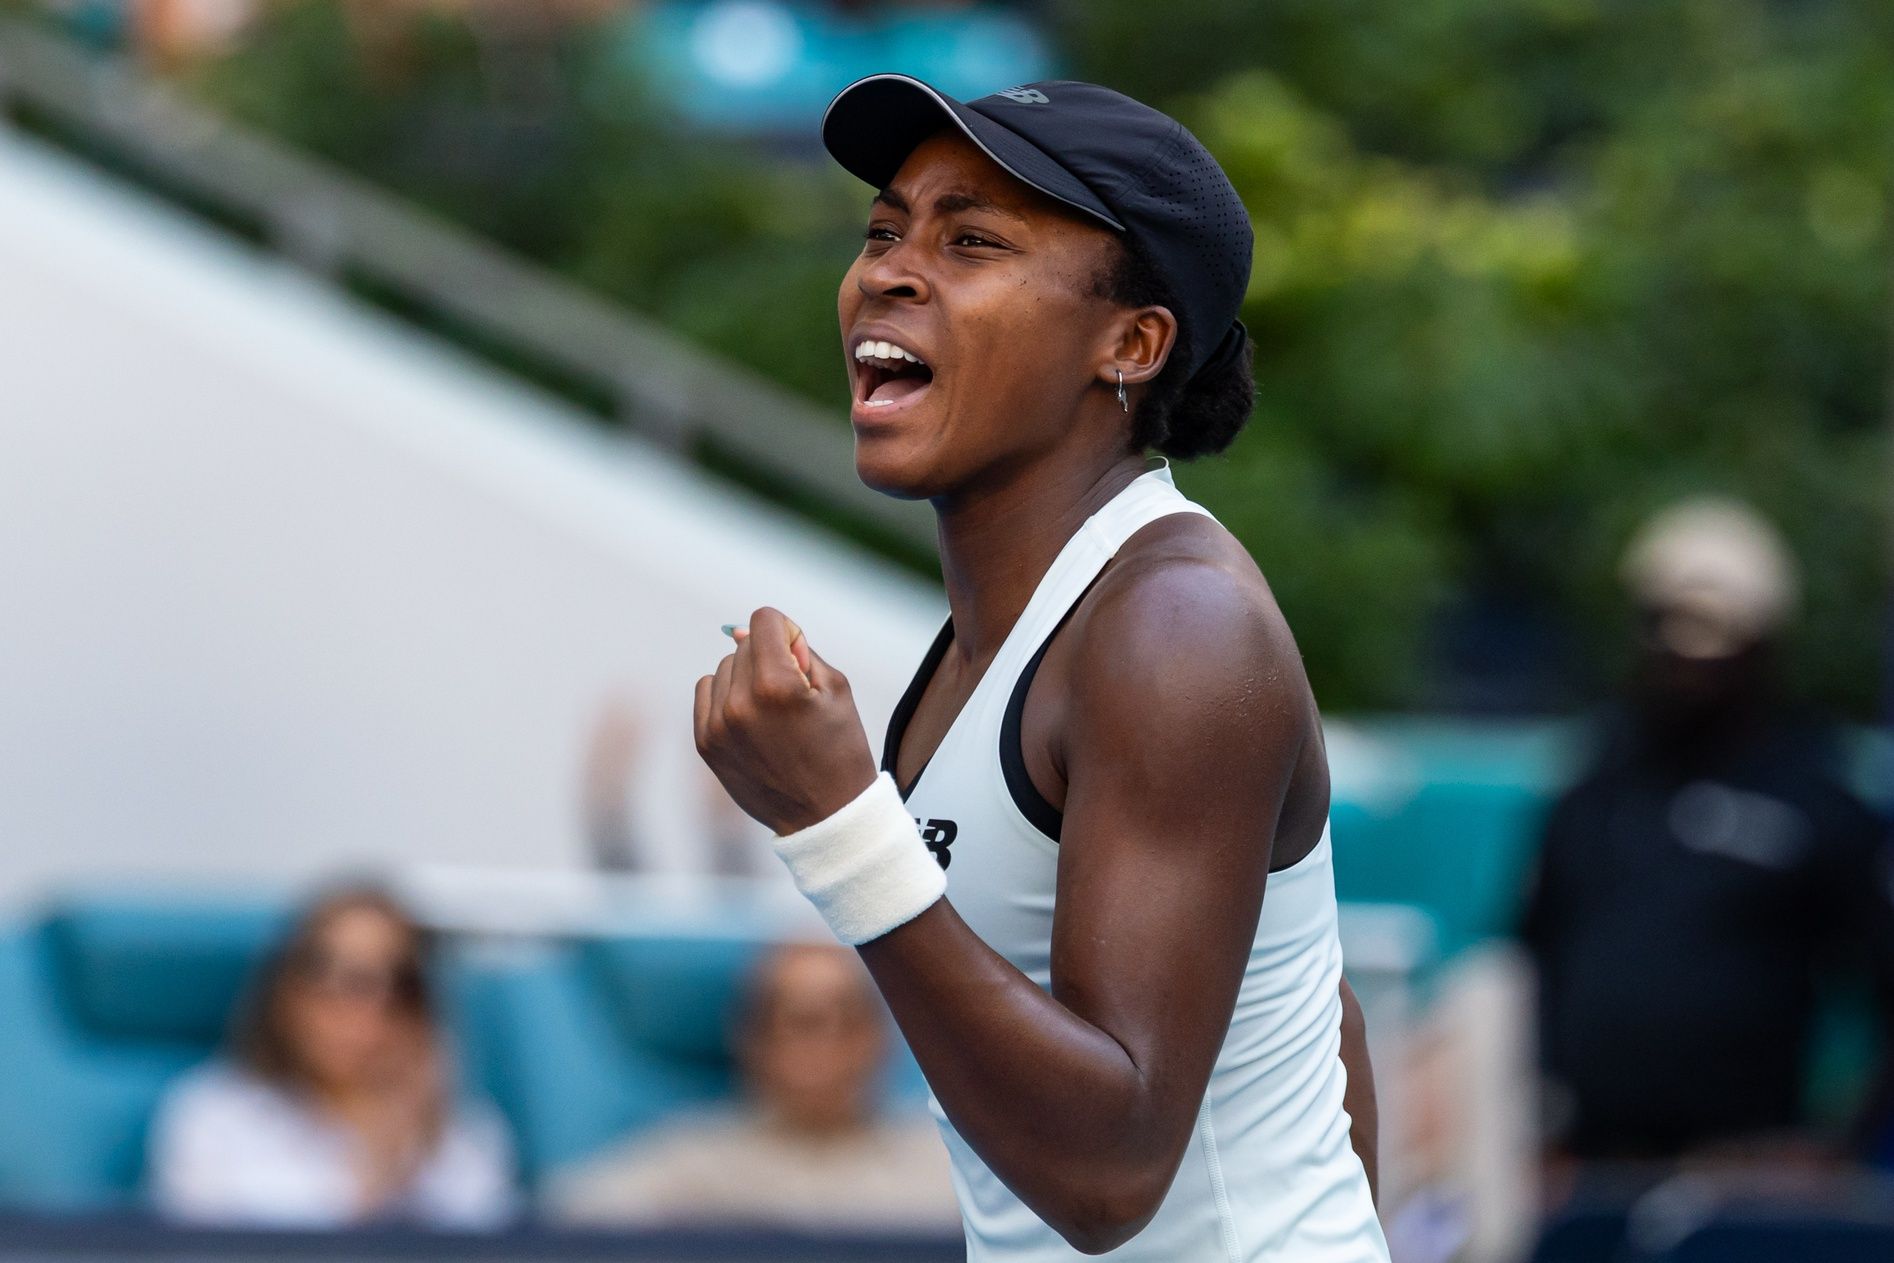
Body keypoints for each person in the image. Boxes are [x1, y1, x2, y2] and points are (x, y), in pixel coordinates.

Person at [692, 76, 1388, 1259]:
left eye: (970, 239)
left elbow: (1107, 1175)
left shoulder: (1175, 626)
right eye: (882, 228)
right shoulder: (1007, 634)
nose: (890, 270)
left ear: (1130, 342)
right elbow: (1323, 1016)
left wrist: (837, 824)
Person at [1520, 499, 1894, 1164]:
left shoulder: (1812, 798)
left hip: (1747, 1170)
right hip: (1589, 1161)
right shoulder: (1597, 787)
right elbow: (1532, 956)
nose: (1688, 669)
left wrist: (1841, 1147)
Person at [147, 885, 517, 1229]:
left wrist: (393, 1156)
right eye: (331, 973)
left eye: (396, 984)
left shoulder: (464, 1137)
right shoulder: (212, 1119)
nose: (361, 1009)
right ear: (286, 991)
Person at [548, 940, 959, 1232]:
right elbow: (558, 1227)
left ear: (880, 1039)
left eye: (845, 1021)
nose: (822, 1047)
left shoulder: (951, 1172)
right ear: (751, 1038)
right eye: (800, 1022)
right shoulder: (689, 1166)